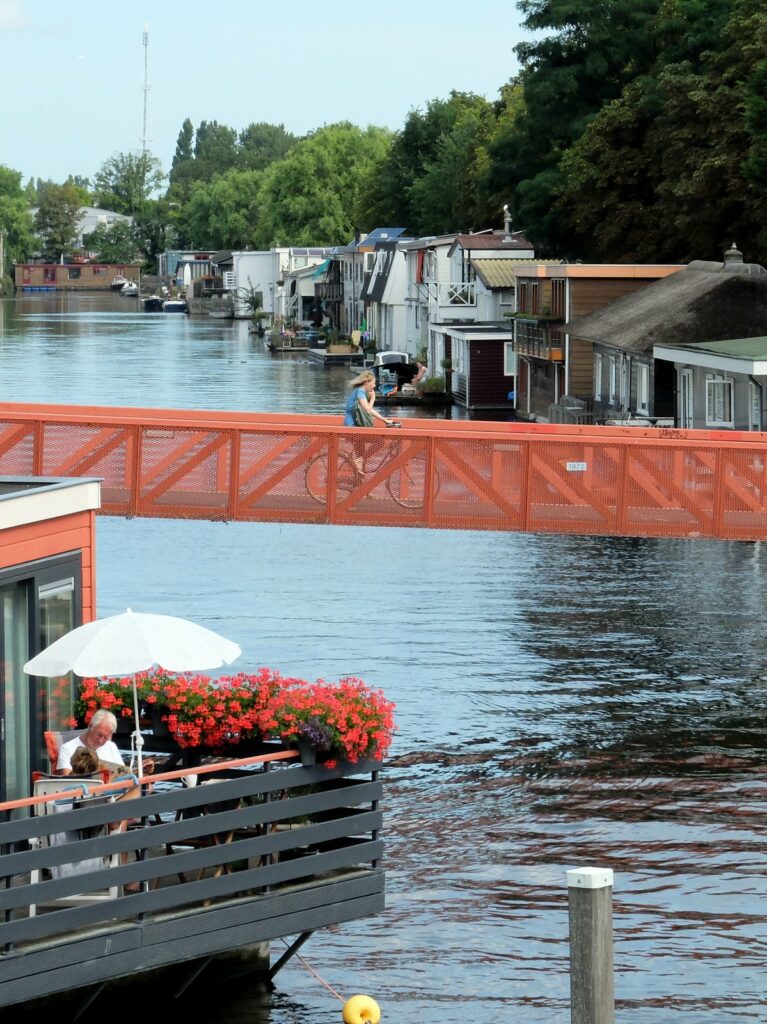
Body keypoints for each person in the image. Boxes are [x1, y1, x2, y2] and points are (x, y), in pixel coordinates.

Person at [344, 371, 396, 474]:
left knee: (360, 453)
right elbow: (368, 409)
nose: (374, 385)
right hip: (352, 427)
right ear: (366, 382)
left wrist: (385, 420)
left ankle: (356, 479)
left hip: (355, 426)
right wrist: (373, 398)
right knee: (380, 441)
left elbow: (370, 410)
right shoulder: (360, 392)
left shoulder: (360, 392)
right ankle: (360, 460)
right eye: (373, 383)